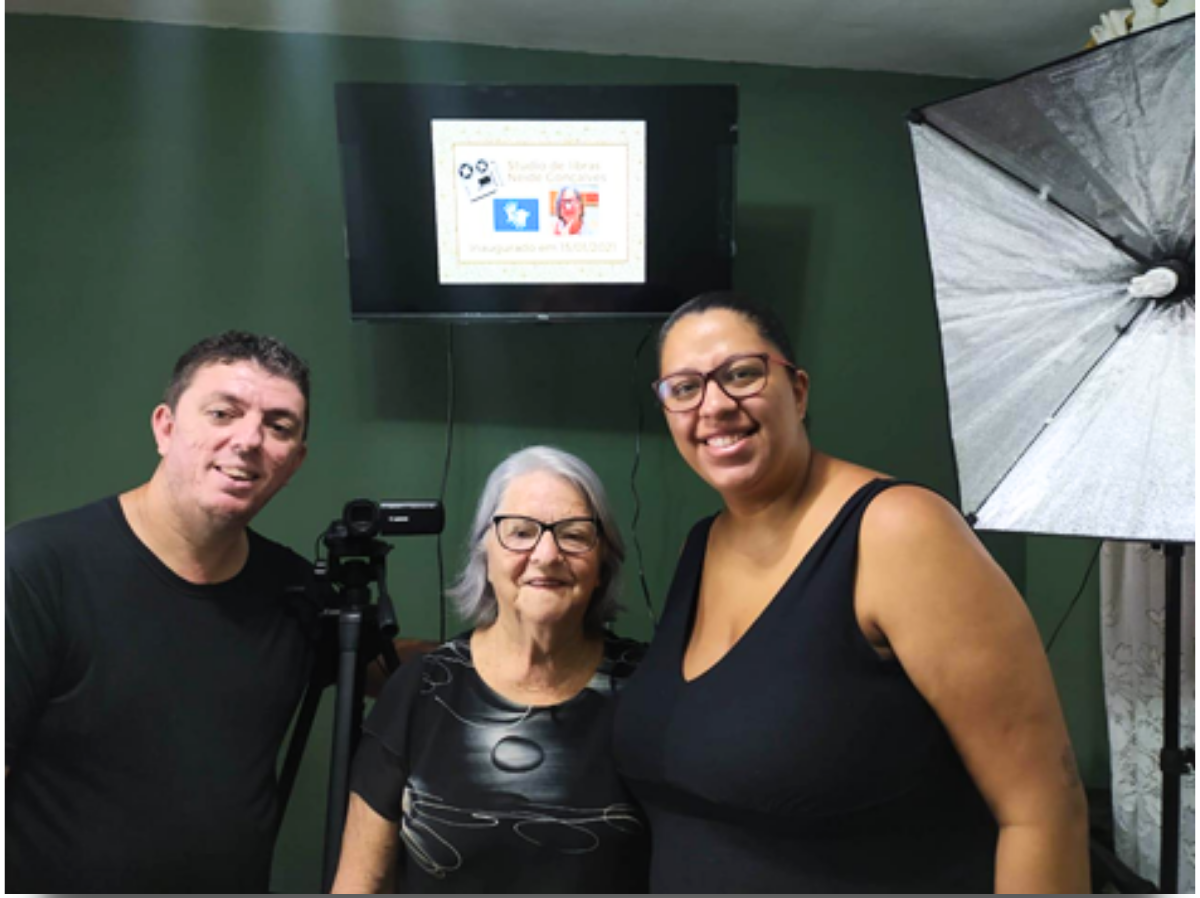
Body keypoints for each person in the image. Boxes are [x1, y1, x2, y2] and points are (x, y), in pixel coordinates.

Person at [612, 292, 1090, 893]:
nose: (714, 405)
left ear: (799, 391)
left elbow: (1045, 811)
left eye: (740, 374)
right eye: (684, 388)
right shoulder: (699, 547)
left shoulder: (900, 530)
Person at [6, 331, 317, 894]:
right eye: (223, 413)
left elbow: (390, 669)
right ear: (165, 427)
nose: (248, 440)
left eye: (278, 426)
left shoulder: (295, 591)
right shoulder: (35, 569)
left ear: (293, 462)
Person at [333, 446, 650, 894]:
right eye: (520, 532)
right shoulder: (421, 690)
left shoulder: (648, 689)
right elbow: (360, 885)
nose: (546, 553)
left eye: (574, 534)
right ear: (485, 554)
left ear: (603, 562)